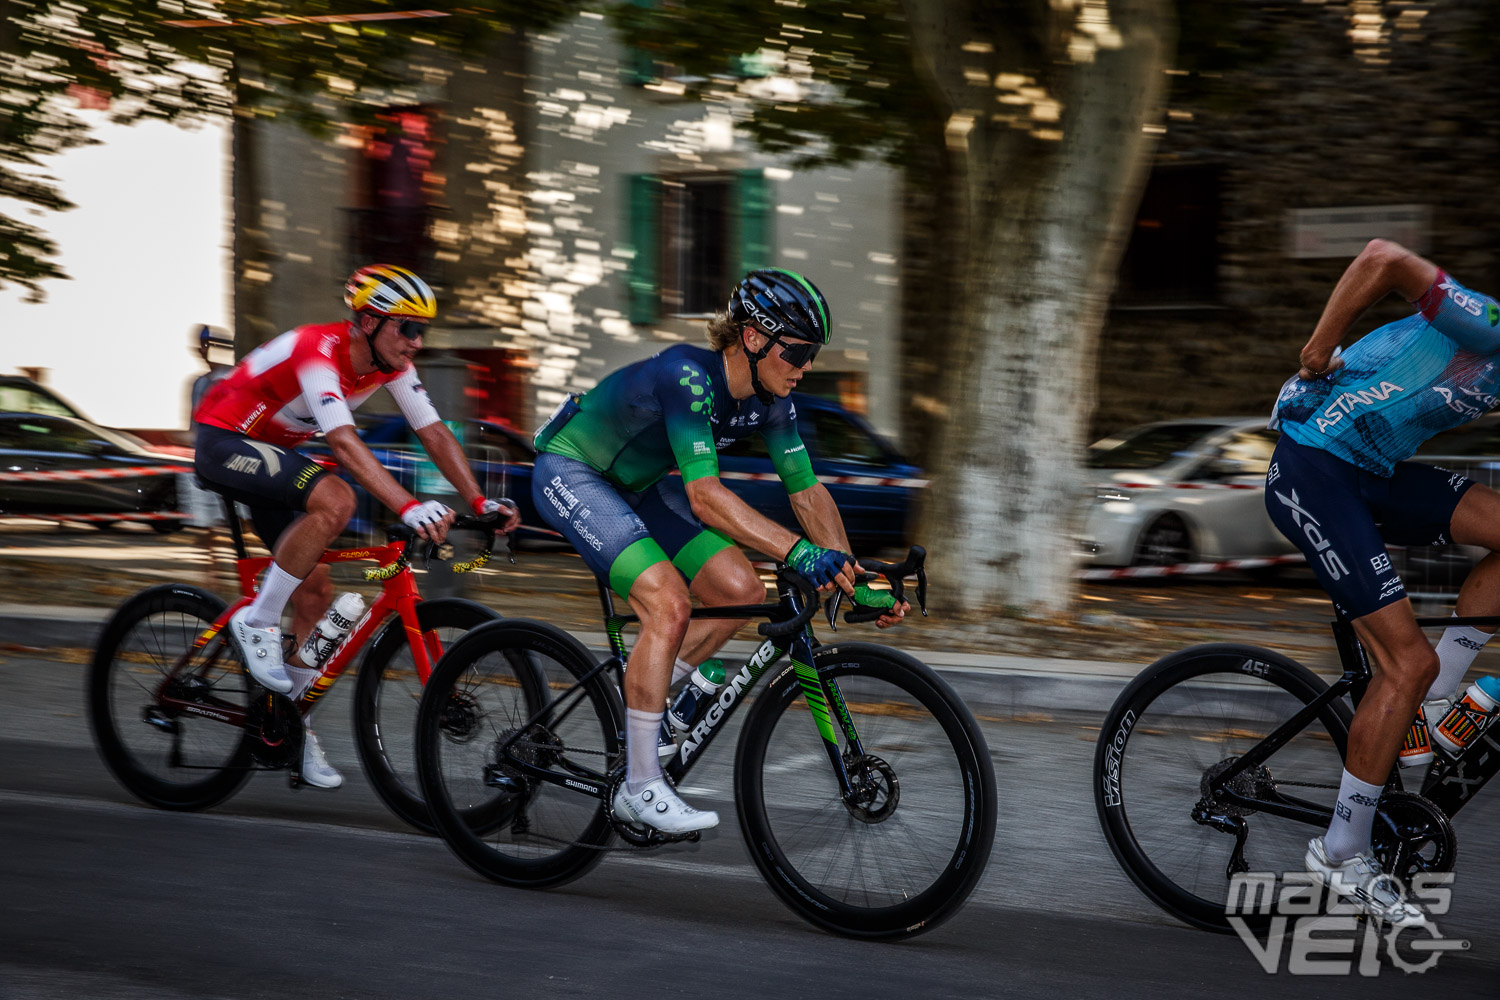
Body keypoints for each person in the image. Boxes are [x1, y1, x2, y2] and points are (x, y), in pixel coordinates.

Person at [531, 267, 909, 835]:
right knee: (668, 602)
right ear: (754, 338)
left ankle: (645, 698)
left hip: (638, 483)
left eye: (813, 355)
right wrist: (802, 556)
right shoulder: (689, 375)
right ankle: (639, 786)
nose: (806, 368)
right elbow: (705, 498)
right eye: (799, 351)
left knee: (741, 592)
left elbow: (807, 493)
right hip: (575, 471)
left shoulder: (774, 399)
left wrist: (856, 579)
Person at [194, 264, 520, 787]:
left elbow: (433, 432)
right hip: (224, 440)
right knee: (338, 497)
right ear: (367, 321)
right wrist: (409, 507)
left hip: (273, 457)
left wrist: (479, 499)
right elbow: (344, 444)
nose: (417, 342)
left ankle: (292, 725)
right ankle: (256, 622)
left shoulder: (389, 366)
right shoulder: (318, 350)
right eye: (406, 328)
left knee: (315, 593)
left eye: (422, 331)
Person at [1267, 239, 1500, 927]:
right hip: (1314, 467)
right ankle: (1342, 849)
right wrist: (1317, 350)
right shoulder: (1485, 323)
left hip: (1371, 471)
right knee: (1407, 658)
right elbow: (1382, 258)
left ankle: (1427, 703)